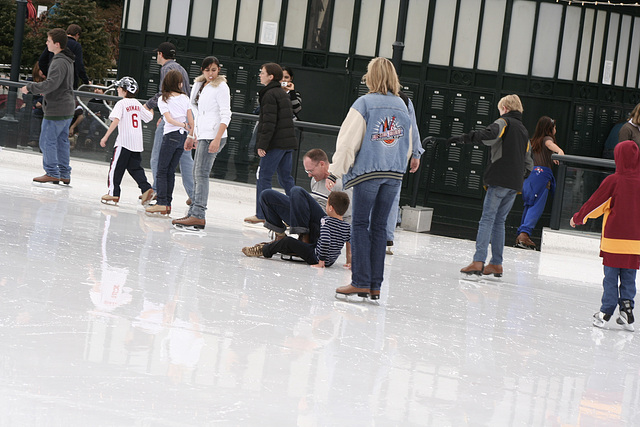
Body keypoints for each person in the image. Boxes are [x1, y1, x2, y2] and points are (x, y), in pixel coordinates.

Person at [327, 57, 418, 300]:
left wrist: (335, 170)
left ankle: (360, 281)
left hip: (368, 173)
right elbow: (407, 144)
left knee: (359, 224)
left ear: (372, 76)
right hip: (393, 175)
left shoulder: (364, 103)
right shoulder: (401, 104)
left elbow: (348, 142)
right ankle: (375, 285)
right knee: (379, 227)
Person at [457, 94, 533, 278]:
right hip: (514, 184)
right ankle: (496, 264)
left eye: (500, 109)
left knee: (487, 220)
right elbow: (529, 161)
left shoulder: (504, 122)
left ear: (505, 108)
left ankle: (478, 261)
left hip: (499, 179)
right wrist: (518, 177)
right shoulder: (523, 130)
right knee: (499, 221)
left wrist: (466, 138)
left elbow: (489, 135)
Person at [570, 140, 640, 332]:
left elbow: (596, 204)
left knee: (610, 277)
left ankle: (605, 312)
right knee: (629, 277)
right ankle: (627, 311)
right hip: (636, 243)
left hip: (614, 241)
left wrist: (578, 218)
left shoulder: (614, 181)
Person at [172, 56, 232, 231]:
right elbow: (195, 113)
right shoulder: (199, 85)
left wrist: (216, 138)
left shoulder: (222, 87)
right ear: (202, 70)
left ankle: (198, 215)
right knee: (196, 173)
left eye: (214, 70)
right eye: (207, 70)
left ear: (218, 69)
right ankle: (193, 213)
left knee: (201, 173)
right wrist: (191, 135)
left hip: (214, 135)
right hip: (202, 134)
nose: (210, 73)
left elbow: (226, 114)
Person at [257, 149, 351, 245]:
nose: (309, 175)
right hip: (307, 219)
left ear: (322, 164)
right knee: (267, 195)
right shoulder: (315, 180)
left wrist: (347, 253)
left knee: (296, 191)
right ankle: (280, 236)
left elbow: (349, 216)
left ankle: (304, 238)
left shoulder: (340, 182)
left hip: (323, 226)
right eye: (307, 171)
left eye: (311, 170)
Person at [244, 63, 298, 225]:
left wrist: (262, 145)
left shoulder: (269, 94)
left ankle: (263, 213)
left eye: (262, 73)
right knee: (286, 179)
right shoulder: (282, 94)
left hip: (275, 144)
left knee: (263, 176)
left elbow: (268, 122)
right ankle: (296, 212)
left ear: (271, 77)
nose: (260, 75)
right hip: (287, 143)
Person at [242, 191, 352, 269]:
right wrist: (350, 260)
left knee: (288, 242)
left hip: (316, 256)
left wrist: (321, 261)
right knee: (288, 243)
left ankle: (264, 250)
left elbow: (326, 240)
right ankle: (280, 242)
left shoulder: (325, 222)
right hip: (330, 261)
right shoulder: (347, 227)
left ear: (330, 208)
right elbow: (351, 242)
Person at [21, 28, 75, 184]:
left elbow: (51, 84)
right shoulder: (67, 60)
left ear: (57, 44)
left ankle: (52, 172)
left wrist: (30, 87)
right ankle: (64, 173)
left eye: (49, 41)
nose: (46, 43)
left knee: (47, 140)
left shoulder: (59, 61)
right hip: (66, 106)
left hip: (57, 108)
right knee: (61, 141)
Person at [145, 42, 194, 206]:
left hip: (173, 122)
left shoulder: (167, 69)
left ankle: (158, 190)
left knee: (158, 157)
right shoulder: (182, 69)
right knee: (185, 158)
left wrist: (148, 105)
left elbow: (163, 94)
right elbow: (182, 96)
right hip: (184, 118)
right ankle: (194, 194)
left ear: (160, 54)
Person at [98, 77, 155, 206]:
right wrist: (151, 106)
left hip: (123, 142)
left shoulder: (121, 103)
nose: (117, 89)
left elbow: (116, 120)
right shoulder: (137, 104)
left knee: (115, 168)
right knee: (135, 168)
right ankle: (146, 189)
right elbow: (149, 117)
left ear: (124, 90)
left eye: (119, 87)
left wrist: (105, 136)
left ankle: (113, 193)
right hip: (136, 142)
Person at [515, 116, 564, 250]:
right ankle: (525, 234)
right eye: (554, 127)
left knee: (529, 204)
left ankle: (521, 233)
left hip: (530, 176)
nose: (556, 129)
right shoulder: (547, 139)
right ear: (549, 128)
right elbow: (550, 145)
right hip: (541, 177)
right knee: (537, 206)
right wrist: (559, 151)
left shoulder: (533, 141)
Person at [386, 91, 424, 255]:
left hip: (374, 154)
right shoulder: (404, 99)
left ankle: (367, 236)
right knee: (392, 197)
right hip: (397, 155)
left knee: (370, 194)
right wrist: (416, 154)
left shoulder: (369, 98)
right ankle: (387, 238)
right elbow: (412, 128)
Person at [38, 24, 89, 89]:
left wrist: (48, 73)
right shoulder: (76, 46)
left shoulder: (55, 42)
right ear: (77, 35)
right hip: (69, 82)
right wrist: (85, 80)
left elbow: (42, 60)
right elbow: (79, 64)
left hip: (53, 79)